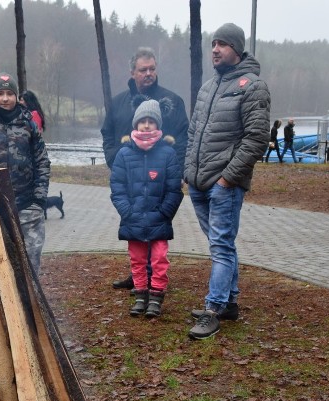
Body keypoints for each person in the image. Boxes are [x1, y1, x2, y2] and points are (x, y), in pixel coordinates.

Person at [183, 23, 270, 340]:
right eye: (213, 44)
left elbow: (257, 139)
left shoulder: (252, 86)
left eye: (222, 44)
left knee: (220, 246)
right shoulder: (208, 88)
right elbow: (193, 134)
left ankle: (214, 309)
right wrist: (188, 172)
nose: (215, 49)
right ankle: (230, 302)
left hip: (224, 186)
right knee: (220, 244)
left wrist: (226, 180)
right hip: (198, 183)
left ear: (237, 48)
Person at [101, 46, 189, 290]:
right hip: (129, 179)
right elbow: (107, 134)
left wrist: (178, 171)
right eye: (143, 69)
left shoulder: (172, 101)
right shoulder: (118, 103)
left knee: (156, 229)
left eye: (152, 68)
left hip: (161, 180)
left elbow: (183, 139)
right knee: (134, 228)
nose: (148, 73)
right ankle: (138, 275)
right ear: (132, 72)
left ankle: (154, 279)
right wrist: (114, 161)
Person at [109, 99, 183, 318]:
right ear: (136, 124)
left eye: (151, 121)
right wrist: (127, 212)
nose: (147, 125)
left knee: (159, 259)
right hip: (133, 219)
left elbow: (174, 189)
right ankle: (140, 294)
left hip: (159, 219)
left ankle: (156, 296)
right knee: (137, 259)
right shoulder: (124, 154)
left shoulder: (168, 153)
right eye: (143, 121)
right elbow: (117, 187)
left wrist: (163, 213)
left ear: (158, 125)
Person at [0, 72, 50, 275]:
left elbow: (42, 161)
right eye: (0, 93)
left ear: (16, 96)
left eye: (10, 93)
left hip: (26, 206)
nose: (5, 98)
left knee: (30, 265)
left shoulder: (29, 125)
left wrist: (39, 200)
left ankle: (31, 305)